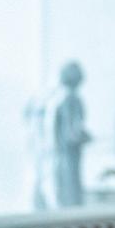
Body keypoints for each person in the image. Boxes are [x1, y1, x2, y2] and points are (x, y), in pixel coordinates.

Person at [39, 60, 93, 208]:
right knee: (71, 207)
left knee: (58, 205)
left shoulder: (55, 99)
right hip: (68, 161)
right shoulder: (72, 100)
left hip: (53, 160)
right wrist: (88, 137)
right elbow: (72, 134)